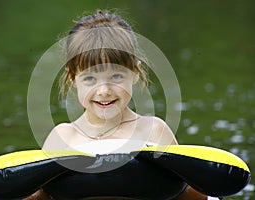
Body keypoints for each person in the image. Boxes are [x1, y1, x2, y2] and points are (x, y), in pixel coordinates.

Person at [25, 10, 209, 200]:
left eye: (116, 76)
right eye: (89, 78)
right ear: (73, 78)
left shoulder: (154, 131)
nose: (104, 90)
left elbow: (185, 192)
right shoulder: (63, 137)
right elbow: (39, 195)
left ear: (135, 73)